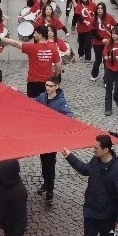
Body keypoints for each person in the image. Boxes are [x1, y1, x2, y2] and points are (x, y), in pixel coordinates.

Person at [32, 76, 74, 204]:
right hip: (42, 136)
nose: (47, 88)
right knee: (44, 162)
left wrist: (69, 120)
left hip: (52, 139)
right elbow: (31, 101)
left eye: (50, 86)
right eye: (46, 85)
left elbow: (68, 114)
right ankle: (46, 183)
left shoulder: (60, 101)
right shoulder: (42, 96)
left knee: (50, 165)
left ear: (56, 86)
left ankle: (50, 191)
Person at [0, 25, 62, 98]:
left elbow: (15, 44)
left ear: (40, 35)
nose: (34, 35)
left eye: (35, 33)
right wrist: (55, 76)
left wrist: (0, 38)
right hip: (48, 81)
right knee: (48, 102)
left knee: (33, 103)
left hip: (33, 82)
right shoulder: (53, 47)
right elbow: (58, 65)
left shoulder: (32, 47)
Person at [89, 3, 117, 81]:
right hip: (97, 43)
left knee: (106, 61)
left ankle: (106, 79)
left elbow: (116, 25)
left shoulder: (109, 17)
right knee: (98, 60)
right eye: (98, 8)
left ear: (104, 9)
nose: (100, 10)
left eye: (101, 8)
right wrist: (102, 39)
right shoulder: (94, 19)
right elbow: (93, 33)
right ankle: (94, 74)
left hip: (107, 44)